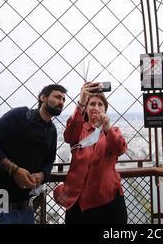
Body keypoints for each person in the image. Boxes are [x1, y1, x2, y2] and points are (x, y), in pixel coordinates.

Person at [0, 84, 67, 224]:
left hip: (24, 209)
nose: (61, 102)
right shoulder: (20, 115)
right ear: (43, 97)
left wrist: (42, 175)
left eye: (63, 99)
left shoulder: (51, 130)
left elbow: (49, 161)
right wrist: (14, 170)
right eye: (58, 97)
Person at [53, 82, 128, 224]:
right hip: (78, 201)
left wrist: (107, 129)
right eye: (92, 104)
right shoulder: (78, 130)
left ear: (105, 109)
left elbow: (120, 149)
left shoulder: (112, 131)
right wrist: (81, 102)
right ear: (86, 109)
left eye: (100, 104)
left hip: (108, 202)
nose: (96, 107)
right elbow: (68, 135)